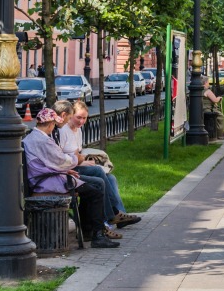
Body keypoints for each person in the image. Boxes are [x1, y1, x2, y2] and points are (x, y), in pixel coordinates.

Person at [22, 108, 118, 249]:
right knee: (95, 192)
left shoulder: (32, 137)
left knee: (92, 189)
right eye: (54, 124)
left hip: (46, 177)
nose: (54, 127)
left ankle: (88, 230)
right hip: (48, 182)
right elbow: (61, 160)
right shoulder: (43, 140)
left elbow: (50, 161)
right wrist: (76, 159)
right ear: (50, 124)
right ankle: (97, 235)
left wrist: (66, 169)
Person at [57, 101, 140, 234]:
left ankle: (120, 215)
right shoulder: (63, 131)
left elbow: (78, 153)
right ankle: (112, 215)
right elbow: (63, 158)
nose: (82, 121)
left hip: (76, 164)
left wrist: (83, 160)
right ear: (71, 115)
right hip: (69, 169)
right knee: (98, 171)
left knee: (111, 178)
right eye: (79, 117)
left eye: (84, 118)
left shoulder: (78, 130)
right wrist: (81, 162)